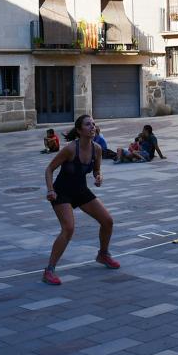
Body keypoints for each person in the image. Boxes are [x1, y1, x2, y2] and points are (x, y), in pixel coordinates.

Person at [43, 115, 119, 285]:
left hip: (81, 191)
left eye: (93, 124)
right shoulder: (70, 149)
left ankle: (103, 254)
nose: (92, 127)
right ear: (79, 130)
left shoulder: (97, 149)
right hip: (62, 192)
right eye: (88, 125)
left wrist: (98, 177)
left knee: (107, 221)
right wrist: (50, 190)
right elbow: (49, 169)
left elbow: (96, 170)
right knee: (68, 228)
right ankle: (49, 270)